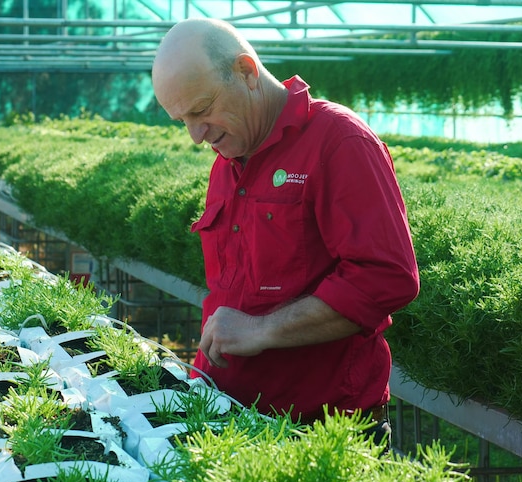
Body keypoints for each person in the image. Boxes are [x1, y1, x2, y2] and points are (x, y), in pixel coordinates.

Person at [151, 18, 420, 445]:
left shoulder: (340, 142)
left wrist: (261, 330)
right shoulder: (229, 157)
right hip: (228, 415)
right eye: (181, 119)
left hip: (317, 432)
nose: (195, 136)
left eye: (201, 110)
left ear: (246, 72)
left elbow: (387, 277)